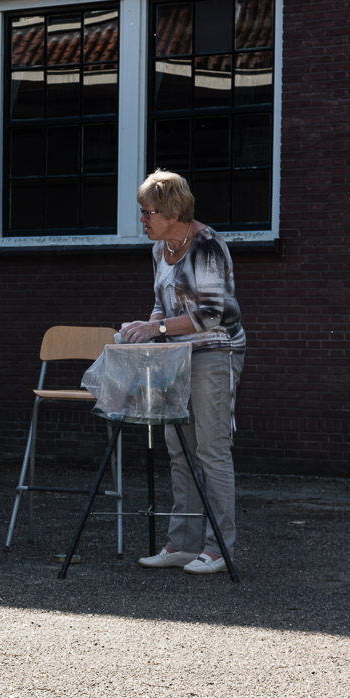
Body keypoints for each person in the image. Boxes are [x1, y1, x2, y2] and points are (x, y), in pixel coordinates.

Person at [121, 169, 246, 575]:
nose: (143, 219)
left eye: (148, 212)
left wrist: (155, 329)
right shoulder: (159, 249)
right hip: (176, 355)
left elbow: (210, 315)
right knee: (179, 449)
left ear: (173, 213)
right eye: (142, 212)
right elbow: (162, 304)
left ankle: (218, 549)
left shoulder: (206, 245)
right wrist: (144, 329)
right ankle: (182, 544)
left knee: (211, 449)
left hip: (215, 351)